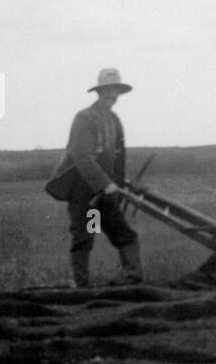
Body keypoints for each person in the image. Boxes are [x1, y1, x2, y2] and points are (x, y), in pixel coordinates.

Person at [45, 67, 143, 288]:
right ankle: (82, 287)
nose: (112, 95)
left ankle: (134, 279)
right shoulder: (85, 118)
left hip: (107, 192)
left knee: (125, 235)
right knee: (86, 235)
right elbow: (82, 157)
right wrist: (105, 185)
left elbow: (118, 159)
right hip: (85, 192)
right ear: (99, 92)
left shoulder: (114, 121)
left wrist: (116, 187)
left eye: (115, 91)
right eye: (108, 90)